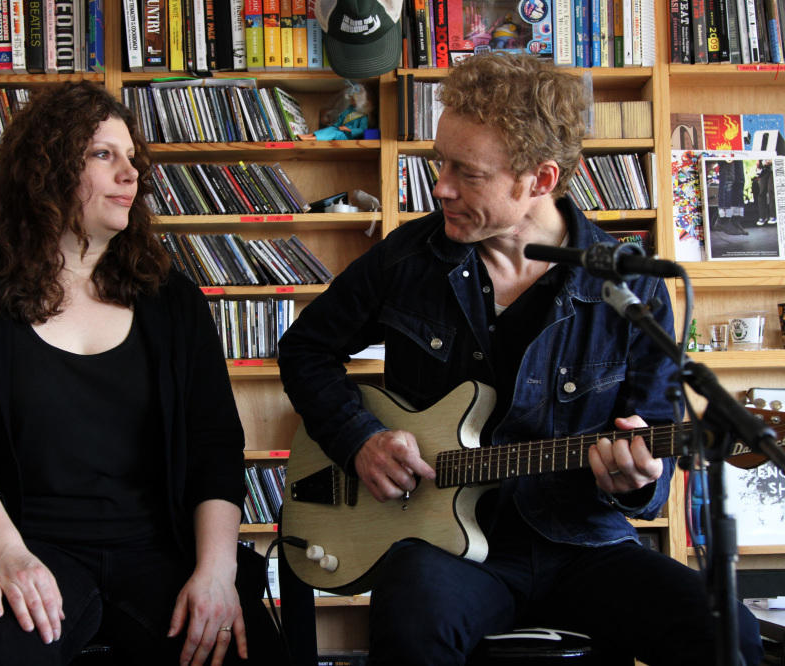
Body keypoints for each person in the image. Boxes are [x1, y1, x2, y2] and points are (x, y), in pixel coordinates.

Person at [277, 53, 764, 666]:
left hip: (582, 543)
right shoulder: (407, 261)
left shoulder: (629, 289)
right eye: (439, 162)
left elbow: (651, 453)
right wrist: (359, 440)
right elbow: (305, 349)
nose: (441, 186)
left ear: (539, 178)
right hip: (444, 550)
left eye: (467, 173)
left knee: (730, 636)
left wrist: (638, 481)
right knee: (411, 617)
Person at [0, 81, 282, 666]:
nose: (131, 173)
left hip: (158, 552)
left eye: (133, 158)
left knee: (246, 650)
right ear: (45, 170)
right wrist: (6, 554)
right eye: (104, 154)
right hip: (20, 544)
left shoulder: (174, 302)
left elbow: (215, 448)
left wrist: (215, 572)